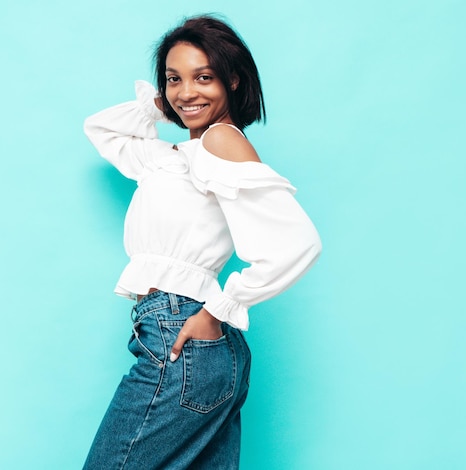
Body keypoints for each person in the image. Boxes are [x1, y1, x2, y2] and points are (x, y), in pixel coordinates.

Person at [82, 15, 321, 469]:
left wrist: (219, 310)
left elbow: (297, 243)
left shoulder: (220, 141)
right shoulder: (173, 157)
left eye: (203, 77)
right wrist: (161, 104)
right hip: (193, 348)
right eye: (175, 79)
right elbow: (102, 130)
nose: (186, 91)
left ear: (233, 79)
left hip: (181, 336)